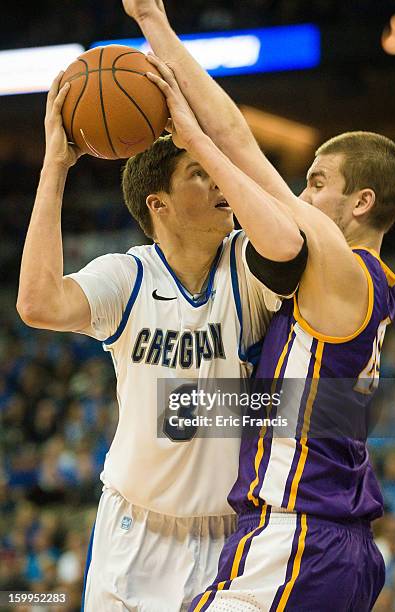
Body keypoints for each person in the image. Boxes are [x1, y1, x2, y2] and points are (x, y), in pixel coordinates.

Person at [123, 0, 395, 609]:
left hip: (298, 541)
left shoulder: (341, 266)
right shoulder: (360, 284)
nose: (301, 193)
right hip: (325, 544)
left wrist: (156, 28)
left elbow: (238, 142)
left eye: (317, 182)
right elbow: (307, 408)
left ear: (360, 203)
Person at [16, 68, 307, 609]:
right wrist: (56, 165)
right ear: (159, 203)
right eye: (200, 174)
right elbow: (36, 304)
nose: (221, 183)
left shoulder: (245, 263)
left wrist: (200, 139)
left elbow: (290, 246)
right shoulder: (127, 276)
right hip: (135, 527)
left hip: (231, 536)